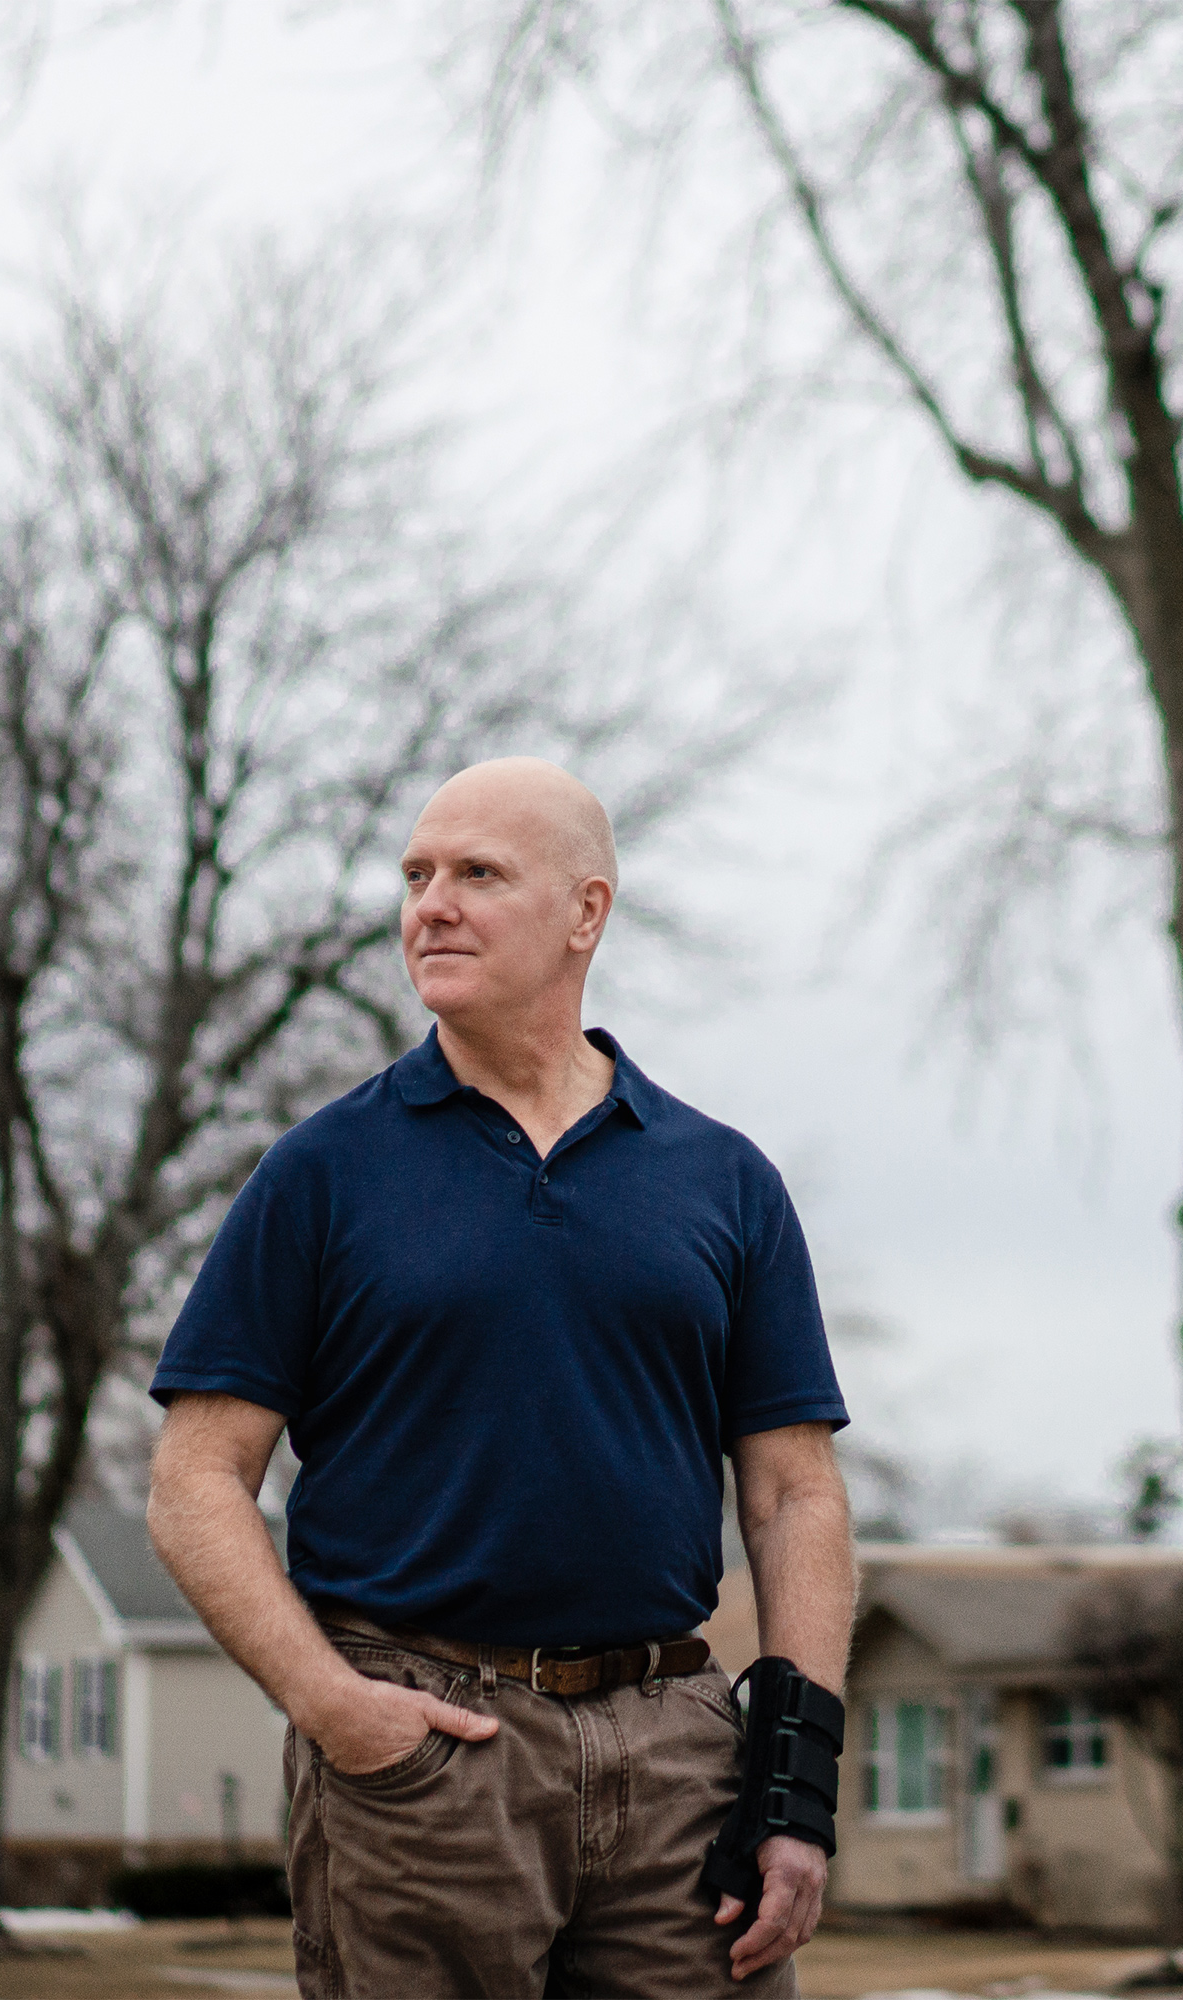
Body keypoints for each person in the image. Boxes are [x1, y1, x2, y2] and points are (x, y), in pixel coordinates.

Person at [145, 757, 856, 1999]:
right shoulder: (321, 1172)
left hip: (680, 1749)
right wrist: (335, 1705)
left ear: (586, 911)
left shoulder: (722, 1180)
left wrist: (795, 1785)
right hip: (423, 1750)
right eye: (417, 874)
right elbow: (195, 1476)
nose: (431, 903)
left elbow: (796, 1494)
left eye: (478, 873)